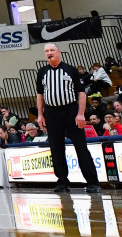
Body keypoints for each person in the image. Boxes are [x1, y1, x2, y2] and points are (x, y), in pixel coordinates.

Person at [37, 42, 101, 193]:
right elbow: (40, 95)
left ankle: (92, 182)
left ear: (59, 52)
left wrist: (80, 114)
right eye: (46, 51)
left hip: (71, 112)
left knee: (81, 147)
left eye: (52, 50)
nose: (49, 52)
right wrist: (40, 115)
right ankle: (62, 182)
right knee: (56, 149)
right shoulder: (42, 72)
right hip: (52, 113)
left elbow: (81, 94)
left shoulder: (70, 70)